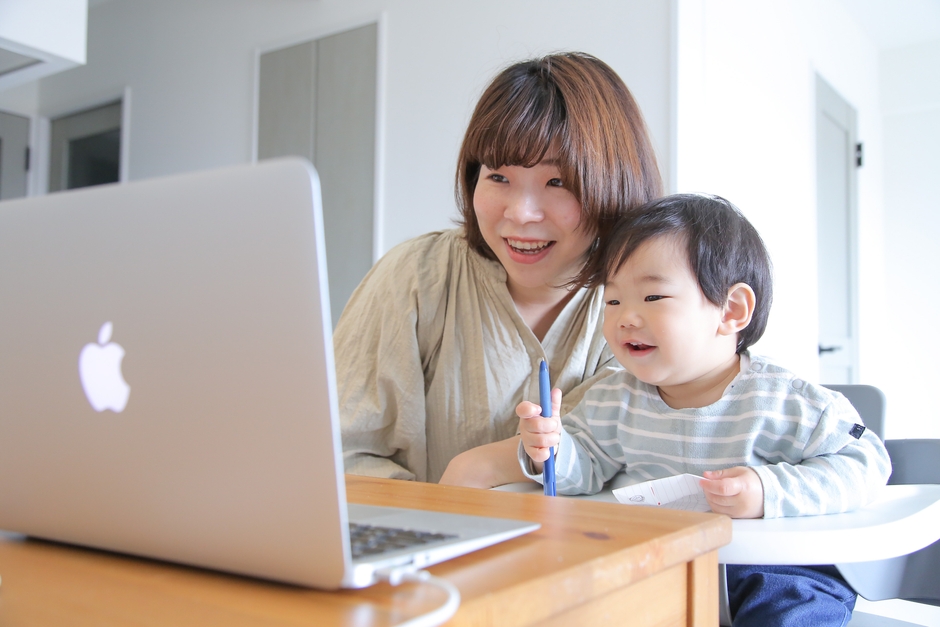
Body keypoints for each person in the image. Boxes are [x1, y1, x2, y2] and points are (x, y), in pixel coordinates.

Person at [516, 194, 892, 626]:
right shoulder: (612, 398)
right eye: (614, 301)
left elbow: (866, 463)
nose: (624, 318)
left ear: (731, 311)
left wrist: (766, 490)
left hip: (774, 571)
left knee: (794, 610)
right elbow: (586, 472)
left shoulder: (786, 402)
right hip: (659, 564)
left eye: (653, 296)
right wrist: (551, 449)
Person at [336, 52, 662, 486]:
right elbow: (343, 456)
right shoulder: (416, 277)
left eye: (558, 182)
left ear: (613, 182)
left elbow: (645, 464)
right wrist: (441, 519)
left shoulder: (648, 305)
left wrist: (483, 466)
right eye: (498, 177)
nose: (521, 213)